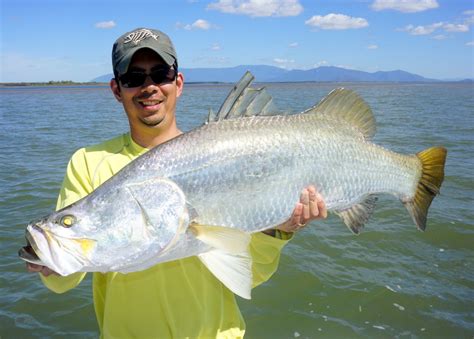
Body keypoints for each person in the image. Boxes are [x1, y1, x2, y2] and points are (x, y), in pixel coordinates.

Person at [26, 27, 327, 338]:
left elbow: (251, 276)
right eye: (133, 78)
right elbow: (63, 279)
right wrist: (52, 264)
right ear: (117, 89)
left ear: (178, 83)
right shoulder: (88, 162)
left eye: (160, 73)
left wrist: (278, 230)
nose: (149, 87)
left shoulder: (232, 156)